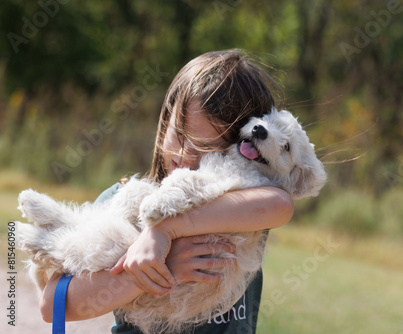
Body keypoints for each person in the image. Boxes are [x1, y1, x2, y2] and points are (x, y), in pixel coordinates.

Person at [39, 49, 294, 333]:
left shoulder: (238, 207)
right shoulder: (122, 203)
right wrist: (151, 272)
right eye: (180, 135)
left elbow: (280, 204)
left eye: (207, 148)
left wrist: (162, 231)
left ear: (246, 151)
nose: (185, 155)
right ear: (166, 120)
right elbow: (52, 306)